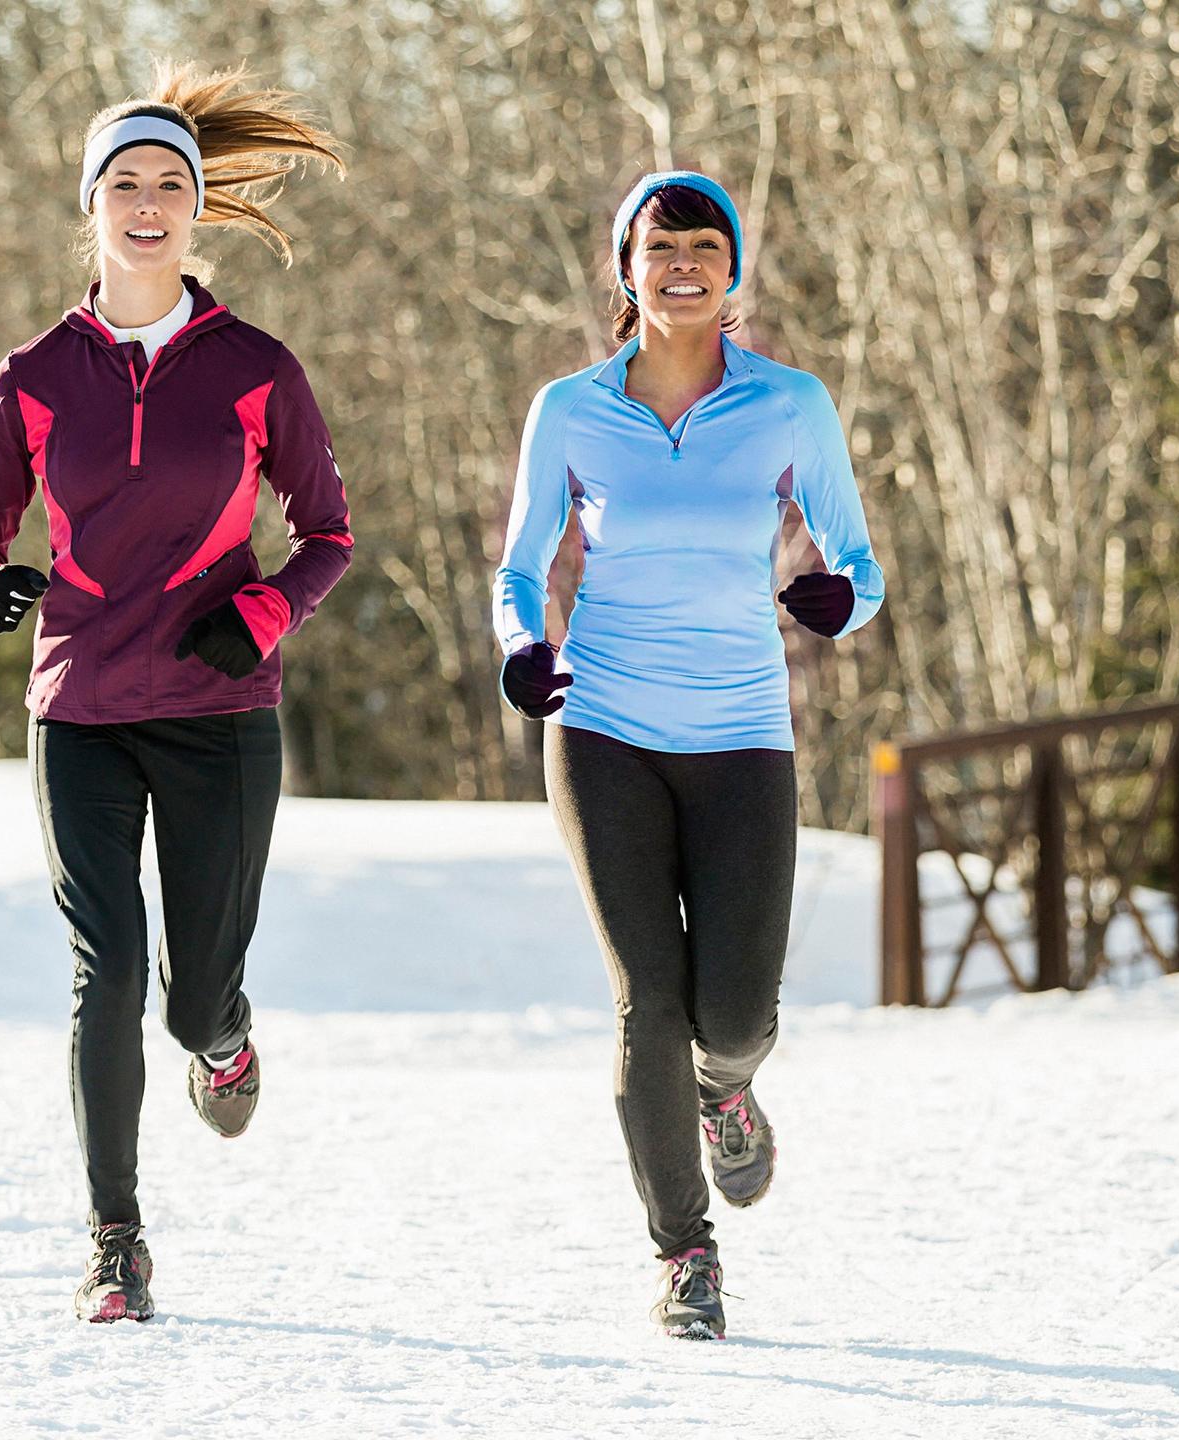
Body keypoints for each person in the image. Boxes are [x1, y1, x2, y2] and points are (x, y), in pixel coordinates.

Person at [0, 63, 351, 1323]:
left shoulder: (254, 366)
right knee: (104, 968)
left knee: (188, 997)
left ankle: (222, 1035)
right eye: (125, 182)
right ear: (93, 207)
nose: (148, 201)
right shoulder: (30, 376)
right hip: (78, 707)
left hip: (220, 710)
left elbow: (328, 531)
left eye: (170, 183)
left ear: (198, 211)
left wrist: (265, 611)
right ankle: (115, 1240)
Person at [491, 171, 884, 1340]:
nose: (682, 265)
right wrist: (524, 646)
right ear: (627, 268)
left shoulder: (790, 404)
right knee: (644, 1003)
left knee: (735, 1014)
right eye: (659, 247)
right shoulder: (570, 408)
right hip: (603, 724)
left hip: (742, 732)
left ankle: (727, 1093)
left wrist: (834, 601)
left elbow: (858, 565)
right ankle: (684, 1253)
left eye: (704, 246)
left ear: (733, 267)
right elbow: (519, 566)